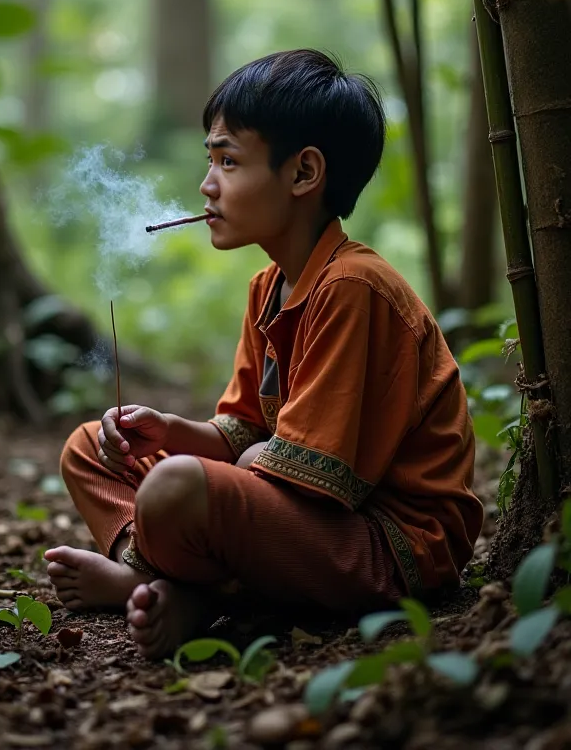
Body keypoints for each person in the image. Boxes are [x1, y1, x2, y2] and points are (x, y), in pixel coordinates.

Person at [45, 49, 483, 659]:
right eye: (209, 160)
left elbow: (317, 481)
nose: (207, 184)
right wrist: (168, 430)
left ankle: (162, 584)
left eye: (228, 160)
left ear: (304, 173)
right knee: (91, 448)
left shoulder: (354, 288)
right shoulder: (267, 288)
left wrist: (218, 463)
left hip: (387, 545)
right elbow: (243, 430)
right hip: (300, 524)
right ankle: (181, 585)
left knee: (173, 489)